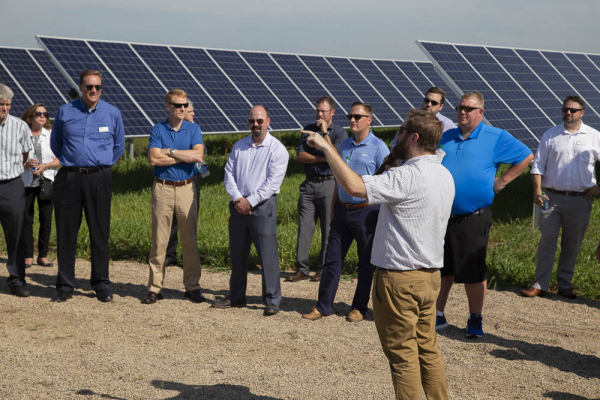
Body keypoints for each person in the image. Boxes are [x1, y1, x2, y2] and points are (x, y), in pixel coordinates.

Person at [305, 109, 453, 399]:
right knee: (428, 349)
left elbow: (353, 186)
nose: (395, 137)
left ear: (414, 137)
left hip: (400, 280)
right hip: (430, 277)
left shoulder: (407, 175)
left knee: (403, 357)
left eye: (400, 132)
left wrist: (326, 147)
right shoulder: (444, 173)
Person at [435, 92, 533, 337]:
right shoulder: (446, 136)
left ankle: (475, 318)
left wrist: (502, 181)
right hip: (442, 215)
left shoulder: (495, 136)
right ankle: (437, 315)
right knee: (441, 268)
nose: (463, 112)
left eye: (469, 108)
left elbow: (526, 156)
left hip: (473, 216)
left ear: (480, 112)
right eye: (460, 108)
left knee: (473, 269)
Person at [303, 102, 389, 323]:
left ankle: (359, 307)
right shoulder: (345, 146)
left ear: (369, 120)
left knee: (365, 263)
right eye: (351, 115)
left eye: (358, 116)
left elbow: (386, 182)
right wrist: (334, 205)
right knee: (331, 260)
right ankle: (323, 306)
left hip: (367, 212)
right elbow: (338, 178)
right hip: (342, 211)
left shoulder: (379, 148)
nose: (352, 119)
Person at [50, 69, 125, 303]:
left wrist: (101, 165)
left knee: (100, 232)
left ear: (101, 89)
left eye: (98, 87)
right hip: (70, 177)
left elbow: (119, 146)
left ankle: (101, 284)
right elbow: (56, 143)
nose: (94, 91)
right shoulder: (66, 111)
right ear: (81, 87)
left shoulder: (112, 113)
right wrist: (75, 161)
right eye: (89, 87)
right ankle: (65, 284)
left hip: (99, 178)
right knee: (66, 233)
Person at [521, 96, 600, 299]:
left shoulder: (593, 136)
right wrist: (537, 191)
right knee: (547, 241)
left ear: (582, 112)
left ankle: (565, 284)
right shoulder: (551, 135)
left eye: (573, 110)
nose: (569, 113)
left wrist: (599, 187)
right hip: (550, 197)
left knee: (572, 243)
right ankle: (540, 284)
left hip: (580, 199)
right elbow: (538, 165)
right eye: (565, 109)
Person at [214, 105, 289, 316]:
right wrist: (238, 199)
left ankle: (272, 299)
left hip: (263, 206)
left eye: (259, 121)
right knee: (237, 253)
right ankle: (237, 295)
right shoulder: (239, 146)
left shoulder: (277, 149)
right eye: (252, 121)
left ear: (268, 121)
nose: (255, 125)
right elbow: (228, 174)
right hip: (238, 206)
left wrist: (250, 201)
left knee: (267, 255)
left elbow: (273, 183)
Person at [142, 90, 205, 304]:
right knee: (160, 241)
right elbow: (153, 159)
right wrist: (181, 155)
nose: (183, 109)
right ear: (168, 106)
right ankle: (155, 288)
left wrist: (169, 152)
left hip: (187, 189)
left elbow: (197, 155)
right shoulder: (158, 129)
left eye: (185, 105)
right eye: (178, 105)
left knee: (189, 240)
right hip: (163, 189)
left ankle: (192, 286)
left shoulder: (193, 128)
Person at [286, 96, 347, 283]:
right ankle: (302, 269)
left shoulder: (339, 133)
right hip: (309, 183)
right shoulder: (308, 129)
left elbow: (335, 156)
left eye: (323, 111)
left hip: (329, 183)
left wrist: (323, 134)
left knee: (328, 228)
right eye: (318, 110)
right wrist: (323, 158)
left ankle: (323, 268)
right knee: (304, 227)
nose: (319, 114)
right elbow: (301, 155)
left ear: (332, 113)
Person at [0, 84, 32, 297]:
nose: (5, 109)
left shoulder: (20, 126)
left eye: (8, 105)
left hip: (12, 185)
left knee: (16, 233)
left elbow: (28, 153)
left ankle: (16, 279)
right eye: (1, 104)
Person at [20, 104, 60, 269]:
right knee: (26, 219)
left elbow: (61, 159)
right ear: (30, 117)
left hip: (47, 180)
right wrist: (26, 164)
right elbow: (12, 160)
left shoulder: (51, 135)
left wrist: (46, 165)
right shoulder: (21, 135)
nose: (43, 116)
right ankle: (28, 255)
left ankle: (42, 255)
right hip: (26, 181)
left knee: (46, 219)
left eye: (45, 113)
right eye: (39, 114)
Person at [164, 100, 200, 268]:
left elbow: (198, 155)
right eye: (190, 111)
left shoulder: (194, 130)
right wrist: (185, 155)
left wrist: (178, 154)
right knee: (171, 219)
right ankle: (169, 254)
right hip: (170, 179)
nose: (192, 113)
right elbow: (159, 155)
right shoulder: (169, 131)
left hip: (191, 178)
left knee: (189, 218)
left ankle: (188, 256)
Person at [390, 87, 455, 149]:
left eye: (434, 103)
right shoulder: (411, 120)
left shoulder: (448, 125)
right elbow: (396, 143)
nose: (429, 104)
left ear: (441, 106)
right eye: (427, 100)